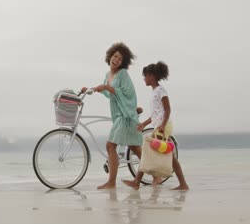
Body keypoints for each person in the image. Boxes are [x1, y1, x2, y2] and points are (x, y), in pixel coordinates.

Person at [81, 42, 143, 189]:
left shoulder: (123, 74)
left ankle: (111, 182)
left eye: (120, 59)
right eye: (115, 56)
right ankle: (156, 175)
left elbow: (127, 94)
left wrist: (107, 87)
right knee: (136, 150)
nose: (116, 60)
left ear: (123, 63)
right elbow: (109, 94)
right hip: (118, 115)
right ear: (110, 56)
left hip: (125, 115)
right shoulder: (107, 75)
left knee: (110, 146)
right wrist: (89, 89)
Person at [123, 62, 189, 190]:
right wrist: (144, 124)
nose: (144, 79)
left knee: (149, 153)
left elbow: (167, 109)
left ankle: (138, 181)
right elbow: (155, 114)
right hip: (158, 126)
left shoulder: (160, 90)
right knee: (165, 156)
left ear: (151, 76)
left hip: (162, 127)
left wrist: (163, 125)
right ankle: (182, 183)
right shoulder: (154, 92)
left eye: (145, 76)